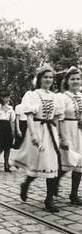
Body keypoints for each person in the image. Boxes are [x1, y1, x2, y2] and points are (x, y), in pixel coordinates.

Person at [12, 66, 62, 213]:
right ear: (39, 79)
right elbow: (29, 115)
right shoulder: (33, 95)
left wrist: (59, 134)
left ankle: (49, 200)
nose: (48, 80)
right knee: (37, 163)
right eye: (45, 77)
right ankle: (26, 184)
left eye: (51, 77)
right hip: (37, 129)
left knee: (51, 164)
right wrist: (33, 134)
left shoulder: (55, 96)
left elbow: (57, 117)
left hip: (50, 131)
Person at [55, 66, 82, 205]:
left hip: (80, 132)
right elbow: (59, 119)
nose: (76, 81)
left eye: (78, 79)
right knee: (67, 163)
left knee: (79, 164)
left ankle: (74, 194)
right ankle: (55, 180)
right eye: (73, 79)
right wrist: (63, 137)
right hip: (68, 130)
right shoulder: (62, 97)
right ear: (67, 81)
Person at [0, 91, 15, 172]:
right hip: (0, 126)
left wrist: (12, 130)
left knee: (8, 146)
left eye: (9, 97)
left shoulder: (10, 108)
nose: (8, 99)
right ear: (2, 98)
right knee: (1, 146)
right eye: (7, 97)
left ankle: (6, 165)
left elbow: (11, 120)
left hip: (7, 126)